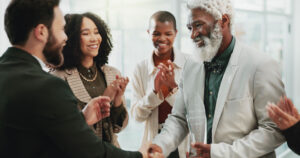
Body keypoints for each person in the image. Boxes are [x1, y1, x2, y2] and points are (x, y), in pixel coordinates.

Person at [0, 0, 146, 157]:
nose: (65, 37)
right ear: (42, 32)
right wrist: (141, 155)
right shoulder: (49, 85)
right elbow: (88, 150)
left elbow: (31, 139)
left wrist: (81, 119)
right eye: (62, 29)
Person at [148, 0, 286, 157]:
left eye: (199, 25)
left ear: (224, 21)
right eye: (189, 28)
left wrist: (218, 153)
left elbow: (274, 130)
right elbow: (179, 118)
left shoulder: (261, 65)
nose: (193, 35)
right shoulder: (191, 66)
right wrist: (160, 145)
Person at [51, 12, 128, 147]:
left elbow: (118, 128)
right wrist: (105, 99)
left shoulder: (112, 74)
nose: (94, 38)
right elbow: (61, 131)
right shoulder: (58, 78)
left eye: (96, 32)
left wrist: (117, 101)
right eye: (86, 34)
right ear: (72, 38)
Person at [131, 11, 189, 158]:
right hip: (154, 141)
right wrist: (155, 93)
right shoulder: (140, 68)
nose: (162, 39)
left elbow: (195, 113)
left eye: (168, 34)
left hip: (182, 141)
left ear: (176, 33)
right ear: (148, 32)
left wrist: (173, 89)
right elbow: (137, 116)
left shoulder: (190, 64)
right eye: (156, 33)